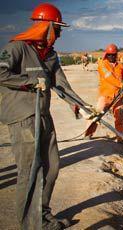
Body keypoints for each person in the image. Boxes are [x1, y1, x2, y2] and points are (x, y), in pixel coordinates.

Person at [0, 3, 89, 229]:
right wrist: (29, 83)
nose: (59, 34)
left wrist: (82, 107)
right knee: (31, 171)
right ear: (45, 26)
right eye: (57, 29)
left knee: (52, 167)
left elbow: (62, 85)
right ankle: (31, 225)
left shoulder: (50, 54)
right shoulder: (17, 48)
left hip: (42, 114)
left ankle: (43, 215)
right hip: (23, 117)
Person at [83, 43, 123, 143]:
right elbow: (108, 77)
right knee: (96, 115)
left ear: (116, 55)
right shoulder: (102, 64)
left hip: (118, 96)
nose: (112, 57)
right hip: (105, 96)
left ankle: (121, 137)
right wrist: (121, 85)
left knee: (119, 117)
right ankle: (88, 133)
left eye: (113, 54)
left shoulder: (120, 66)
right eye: (110, 55)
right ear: (106, 55)